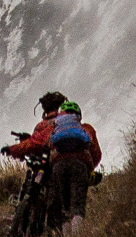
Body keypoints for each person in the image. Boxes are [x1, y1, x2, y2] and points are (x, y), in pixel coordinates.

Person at [6, 95, 102, 230]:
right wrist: (89, 170)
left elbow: (34, 142)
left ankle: (56, 236)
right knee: (77, 207)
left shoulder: (51, 126)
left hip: (58, 166)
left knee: (60, 206)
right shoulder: (86, 128)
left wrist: (12, 150)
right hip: (80, 167)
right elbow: (96, 154)